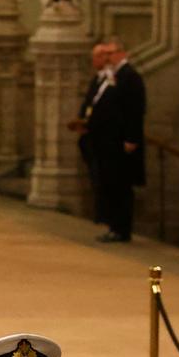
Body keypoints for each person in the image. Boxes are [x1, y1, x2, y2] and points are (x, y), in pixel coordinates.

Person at [89, 36, 145, 242]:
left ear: (122, 53)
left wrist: (131, 138)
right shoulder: (113, 75)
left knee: (120, 186)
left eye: (110, 53)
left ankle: (121, 228)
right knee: (109, 185)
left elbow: (134, 110)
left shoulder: (130, 76)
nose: (107, 58)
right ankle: (113, 225)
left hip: (120, 142)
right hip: (107, 141)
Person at [77, 41, 111, 225]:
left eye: (97, 56)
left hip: (104, 137)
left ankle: (106, 216)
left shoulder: (113, 80)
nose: (94, 60)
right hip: (91, 136)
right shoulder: (97, 79)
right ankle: (100, 215)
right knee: (96, 178)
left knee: (104, 180)